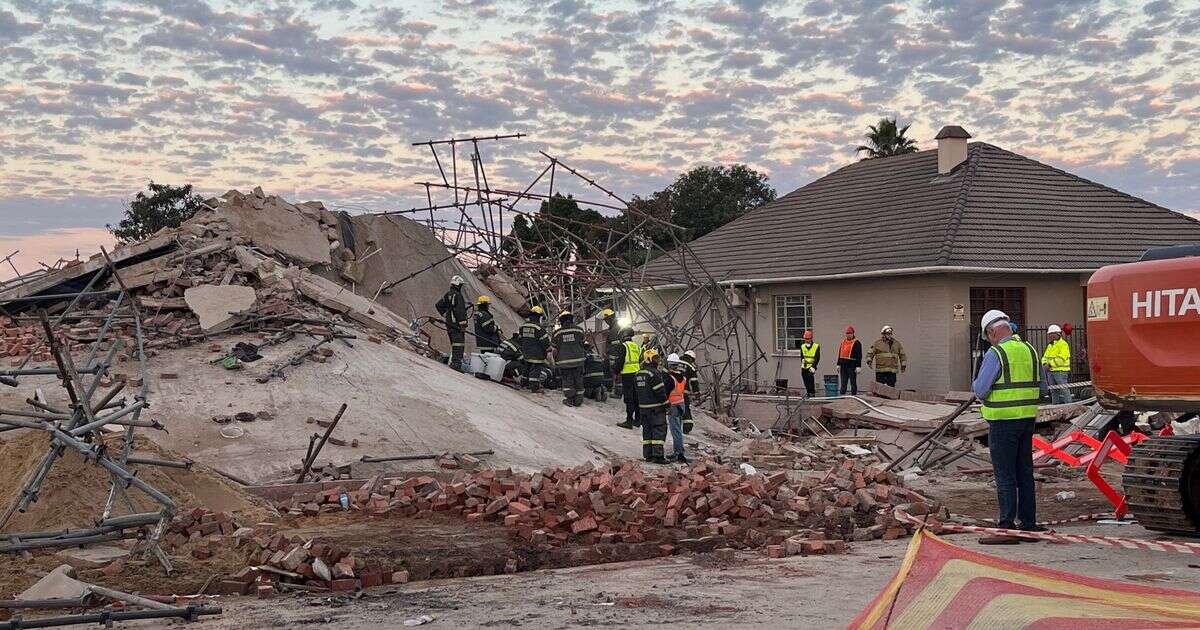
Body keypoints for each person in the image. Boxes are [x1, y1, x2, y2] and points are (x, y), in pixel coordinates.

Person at [973, 309, 1046, 544]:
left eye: (988, 337)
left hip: (1003, 422)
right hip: (1027, 420)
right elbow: (1043, 390)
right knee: (1024, 472)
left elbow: (981, 389)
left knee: (1004, 475)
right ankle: (1028, 525)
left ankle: (1006, 526)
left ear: (992, 331)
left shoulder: (997, 353)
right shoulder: (1030, 350)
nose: (989, 341)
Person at [635, 349, 669, 464]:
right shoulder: (654, 373)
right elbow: (659, 391)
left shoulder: (638, 373)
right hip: (656, 408)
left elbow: (636, 393)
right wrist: (666, 404)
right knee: (659, 430)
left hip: (643, 409)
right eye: (655, 358)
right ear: (648, 359)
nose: (657, 361)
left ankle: (648, 455)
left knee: (647, 432)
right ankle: (658, 456)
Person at [551, 311, 588, 407]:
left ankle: (570, 400)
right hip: (579, 361)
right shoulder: (579, 330)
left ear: (561, 321)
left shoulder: (557, 333)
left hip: (564, 362)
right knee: (579, 380)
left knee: (568, 381)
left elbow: (554, 350)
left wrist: (556, 360)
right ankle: (579, 400)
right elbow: (583, 344)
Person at [434, 275, 469, 371]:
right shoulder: (458, 296)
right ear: (458, 285)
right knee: (459, 344)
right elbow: (460, 311)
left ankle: (454, 362)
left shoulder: (448, 294)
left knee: (454, 344)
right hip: (456, 325)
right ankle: (456, 364)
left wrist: (446, 315)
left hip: (449, 324)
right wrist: (463, 325)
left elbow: (438, 305)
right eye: (461, 285)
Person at [614, 329, 642, 429]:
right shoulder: (637, 346)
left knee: (629, 398)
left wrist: (616, 372)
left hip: (627, 374)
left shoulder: (624, 346)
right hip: (637, 373)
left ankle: (629, 421)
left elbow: (620, 361)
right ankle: (638, 420)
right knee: (636, 398)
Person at [518, 306, 550, 392]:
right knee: (535, 370)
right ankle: (534, 387)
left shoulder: (523, 326)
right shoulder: (539, 328)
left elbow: (520, 339)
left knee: (526, 368)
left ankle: (523, 383)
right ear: (539, 317)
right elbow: (545, 342)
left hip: (526, 352)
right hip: (537, 353)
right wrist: (548, 349)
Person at [665, 354, 689, 463]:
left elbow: (665, 393)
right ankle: (678, 451)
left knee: (676, 431)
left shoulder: (670, 378)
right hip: (681, 404)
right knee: (678, 429)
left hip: (673, 405)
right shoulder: (683, 377)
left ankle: (679, 453)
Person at [1042, 324, 1073, 404]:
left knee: (1064, 389)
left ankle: (1069, 406)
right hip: (1050, 371)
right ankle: (1055, 405)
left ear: (1057, 334)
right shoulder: (1050, 345)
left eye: (1051, 334)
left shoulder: (1063, 344)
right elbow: (1045, 356)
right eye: (1049, 334)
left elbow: (1062, 358)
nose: (1049, 336)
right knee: (1053, 391)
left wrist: (1049, 365)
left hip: (1060, 371)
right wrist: (1044, 363)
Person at [678, 350, 701, 434]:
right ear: (692, 359)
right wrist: (697, 393)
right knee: (685, 407)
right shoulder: (691, 368)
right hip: (683, 391)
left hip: (672, 390)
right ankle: (687, 426)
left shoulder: (675, 362)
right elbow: (694, 382)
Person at [836, 326, 863, 395]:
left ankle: (853, 396)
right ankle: (842, 397)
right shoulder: (843, 342)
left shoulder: (856, 343)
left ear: (853, 333)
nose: (848, 335)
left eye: (850, 333)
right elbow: (840, 353)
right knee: (843, 383)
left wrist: (858, 366)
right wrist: (838, 364)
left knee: (853, 383)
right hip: (843, 365)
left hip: (852, 366)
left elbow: (859, 355)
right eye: (847, 333)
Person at [601, 308, 621, 397]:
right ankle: (609, 387)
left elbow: (615, 344)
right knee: (608, 369)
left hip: (614, 354)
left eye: (606, 320)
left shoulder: (615, 328)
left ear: (610, 318)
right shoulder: (613, 327)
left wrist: (611, 354)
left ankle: (618, 392)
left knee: (616, 372)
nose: (606, 322)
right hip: (612, 354)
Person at [799, 331, 820, 397]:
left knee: (810, 379)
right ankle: (808, 392)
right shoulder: (802, 346)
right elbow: (802, 356)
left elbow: (817, 357)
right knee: (805, 380)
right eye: (805, 339)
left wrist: (813, 366)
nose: (806, 340)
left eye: (808, 339)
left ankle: (812, 393)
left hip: (811, 366)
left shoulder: (816, 346)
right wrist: (802, 362)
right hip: (804, 366)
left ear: (811, 339)